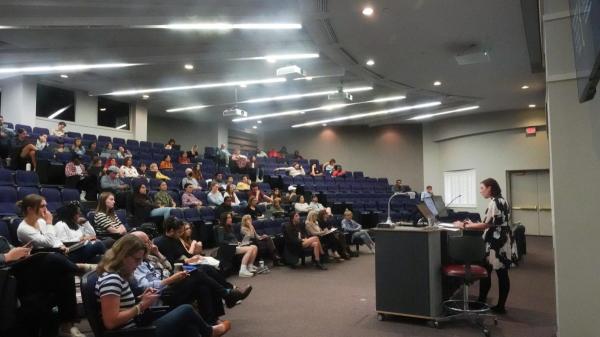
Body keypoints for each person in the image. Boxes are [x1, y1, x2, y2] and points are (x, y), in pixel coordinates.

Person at [95, 234, 231, 337]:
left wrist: (140, 298)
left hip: (137, 325)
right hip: (134, 332)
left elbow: (120, 307)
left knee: (189, 326)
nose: (138, 265)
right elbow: (111, 322)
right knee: (186, 310)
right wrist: (141, 305)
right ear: (123, 256)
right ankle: (210, 331)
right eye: (136, 260)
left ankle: (210, 327)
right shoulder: (112, 280)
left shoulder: (117, 277)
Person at [130, 231, 250, 325]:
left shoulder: (151, 257)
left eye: (149, 241)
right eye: (146, 242)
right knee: (197, 273)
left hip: (171, 284)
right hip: (162, 294)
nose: (150, 244)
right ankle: (227, 294)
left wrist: (157, 253)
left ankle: (212, 320)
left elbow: (168, 267)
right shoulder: (135, 263)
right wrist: (170, 280)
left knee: (203, 278)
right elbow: (143, 287)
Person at [0, 236, 85, 337]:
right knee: (52, 259)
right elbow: (7, 256)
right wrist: (6, 256)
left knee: (63, 272)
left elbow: (11, 250)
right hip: (6, 275)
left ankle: (67, 324)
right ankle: (81, 268)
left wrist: (21, 251)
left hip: (16, 266)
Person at [454, 178, 516, 314]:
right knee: (491, 271)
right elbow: (491, 222)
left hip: (497, 242)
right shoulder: (501, 200)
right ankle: (485, 302)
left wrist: (463, 225)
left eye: (482, 188)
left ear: (490, 188)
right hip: (501, 239)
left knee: (498, 273)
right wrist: (472, 223)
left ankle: (497, 306)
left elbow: (486, 225)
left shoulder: (495, 202)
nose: (480, 191)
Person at [220, 212, 258, 278]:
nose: (230, 219)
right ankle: (242, 270)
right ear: (224, 219)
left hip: (234, 246)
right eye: (228, 217)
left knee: (254, 247)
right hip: (228, 248)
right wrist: (234, 243)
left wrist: (238, 242)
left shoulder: (230, 227)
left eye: (230, 217)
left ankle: (250, 266)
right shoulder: (220, 228)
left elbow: (232, 239)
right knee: (250, 248)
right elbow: (221, 241)